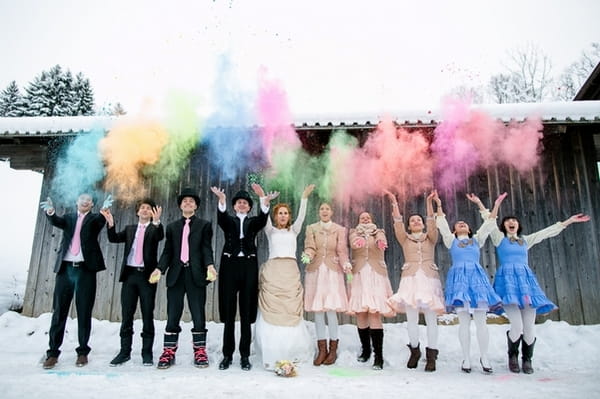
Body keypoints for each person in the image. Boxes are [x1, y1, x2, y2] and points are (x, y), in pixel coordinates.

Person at [483, 202, 590, 374]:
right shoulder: (499, 239)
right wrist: (492, 205)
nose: (511, 222)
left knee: (529, 328)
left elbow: (546, 233)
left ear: (518, 225)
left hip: (526, 286)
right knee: (516, 326)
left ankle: (527, 360)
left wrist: (568, 221)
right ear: (504, 226)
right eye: (508, 221)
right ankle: (512, 356)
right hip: (508, 286)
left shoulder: (525, 240)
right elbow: (489, 220)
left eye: (514, 220)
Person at [433, 191, 504, 373]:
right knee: (464, 321)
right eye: (458, 224)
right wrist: (439, 204)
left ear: (469, 229)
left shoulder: (477, 240)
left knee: (481, 320)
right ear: (455, 230)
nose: (461, 224)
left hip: (477, 279)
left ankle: (485, 356)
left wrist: (484, 203)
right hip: (459, 281)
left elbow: (490, 223)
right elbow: (441, 223)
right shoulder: (451, 241)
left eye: (464, 223)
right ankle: (466, 358)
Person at [39, 192, 112, 369]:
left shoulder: (95, 219)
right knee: (59, 312)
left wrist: (104, 211)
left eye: (88, 200)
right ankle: (53, 353)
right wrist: (50, 213)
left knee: (84, 312)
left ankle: (82, 352)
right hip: (66, 270)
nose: (85, 202)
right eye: (82, 199)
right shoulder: (69, 218)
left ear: (92, 204)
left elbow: (100, 223)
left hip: (85, 271)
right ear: (76, 202)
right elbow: (57, 221)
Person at [149, 187, 217, 369]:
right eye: (185, 201)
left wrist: (210, 265)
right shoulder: (172, 227)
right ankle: (168, 352)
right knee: (173, 314)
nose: (188, 203)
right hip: (176, 276)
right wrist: (159, 269)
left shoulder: (204, 225)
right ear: (180, 205)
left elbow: (205, 248)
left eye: (191, 201)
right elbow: (167, 252)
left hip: (195, 275)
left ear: (196, 206)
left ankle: (200, 351)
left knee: (198, 314)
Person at [210, 184, 275, 371]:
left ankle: (245, 356)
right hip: (229, 266)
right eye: (239, 202)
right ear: (234, 205)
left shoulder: (253, 222)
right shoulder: (229, 220)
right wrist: (221, 200)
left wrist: (264, 199)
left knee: (246, 313)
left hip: (248, 267)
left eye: (245, 203)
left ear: (249, 207)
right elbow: (221, 218)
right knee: (229, 313)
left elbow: (263, 219)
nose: (242, 205)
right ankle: (227, 355)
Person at [254, 184, 315, 370]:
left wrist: (304, 197)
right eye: (279, 213)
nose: (282, 216)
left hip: (289, 271)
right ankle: (272, 351)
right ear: (275, 216)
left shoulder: (294, 231)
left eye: (285, 213)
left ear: (289, 216)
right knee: (273, 310)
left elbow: (302, 216)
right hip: (274, 271)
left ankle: (291, 351)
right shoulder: (270, 230)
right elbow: (263, 214)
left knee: (289, 310)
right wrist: (262, 197)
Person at [100, 198, 164, 366]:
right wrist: (111, 224)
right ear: (137, 212)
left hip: (147, 277)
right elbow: (113, 238)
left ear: (152, 213)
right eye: (142, 208)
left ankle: (147, 352)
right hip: (130, 276)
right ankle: (124, 351)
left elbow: (160, 236)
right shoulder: (129, 229)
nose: (144, 210)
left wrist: (157, 222)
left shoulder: (153, 229)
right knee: (127, 315)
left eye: (148, 208)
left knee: (147, 315)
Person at [386, 190, 444, 372]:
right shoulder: (405, 239)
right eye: (413, 221)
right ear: (409, 227)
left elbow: (432, 222)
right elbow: (397, 224)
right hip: (410, 279)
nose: (416, 222)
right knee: (412, 318)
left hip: (428, 279)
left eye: (419, 220)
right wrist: (395, 202)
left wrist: (429, 203)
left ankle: (432, 354)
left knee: (431, 318)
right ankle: (414, 350)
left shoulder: (431, 238)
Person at [301, 202, 351, 366]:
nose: (324, 211)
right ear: (319, 211)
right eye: (321, 208)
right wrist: (308, 255)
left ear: (331, 212)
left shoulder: (340, 229)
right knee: (318, 311)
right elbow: (310, 246)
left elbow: (342, 251)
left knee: (330, 310)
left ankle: (333, 349)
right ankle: (322, 349)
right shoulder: (311, 228)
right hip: (316, 271)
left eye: (327, 209)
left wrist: (346, 264)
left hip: (332, 271)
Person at [347, 211, 395, 370]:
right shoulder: (354, 232)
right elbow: (354, 243)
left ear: (372, 219)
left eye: (368, 217)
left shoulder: (379, 232)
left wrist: (380, 242)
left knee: (374, 313)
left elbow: (383, 241)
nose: (365, 219)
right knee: (361, 313)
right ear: (359, 220)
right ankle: (366, 349)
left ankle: (378, 356)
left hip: (376, 275)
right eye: (362, 217)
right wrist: (359, 241)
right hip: (360, 274)